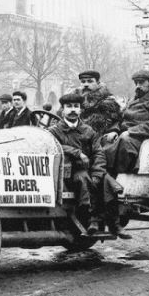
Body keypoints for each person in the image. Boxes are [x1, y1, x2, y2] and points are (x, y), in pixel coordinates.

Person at [48, 93, 128, 238]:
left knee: (107, 182)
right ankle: (92, 220)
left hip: (90, 169)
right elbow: (53, 146)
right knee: (83, 179)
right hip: (68, 173)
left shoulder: (88, 130)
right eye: (69, 107)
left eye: (76, 107)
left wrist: (98, 173)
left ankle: (115, 225)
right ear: (62, 110)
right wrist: (77, 153)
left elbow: (98, 153)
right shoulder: (54, 131)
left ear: (80, 110)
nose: (73, 110)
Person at [111, 70, 149, 174]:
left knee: (125, 140)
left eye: (141, 82)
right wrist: (114, 131)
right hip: (126, 134)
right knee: (103, 139)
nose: (138, 86)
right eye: (136, 83)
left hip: (143, 138)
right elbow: (121, 119)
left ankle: (115, 175)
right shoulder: (132, 100)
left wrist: (130, 131)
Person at [71, 70, 122, 139]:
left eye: (90, 81)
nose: (86, 84)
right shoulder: (73, 101)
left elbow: (116, 121)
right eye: (83, 82)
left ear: (98, 83)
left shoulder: (108, 102)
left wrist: (113, 131)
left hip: (100, 137)